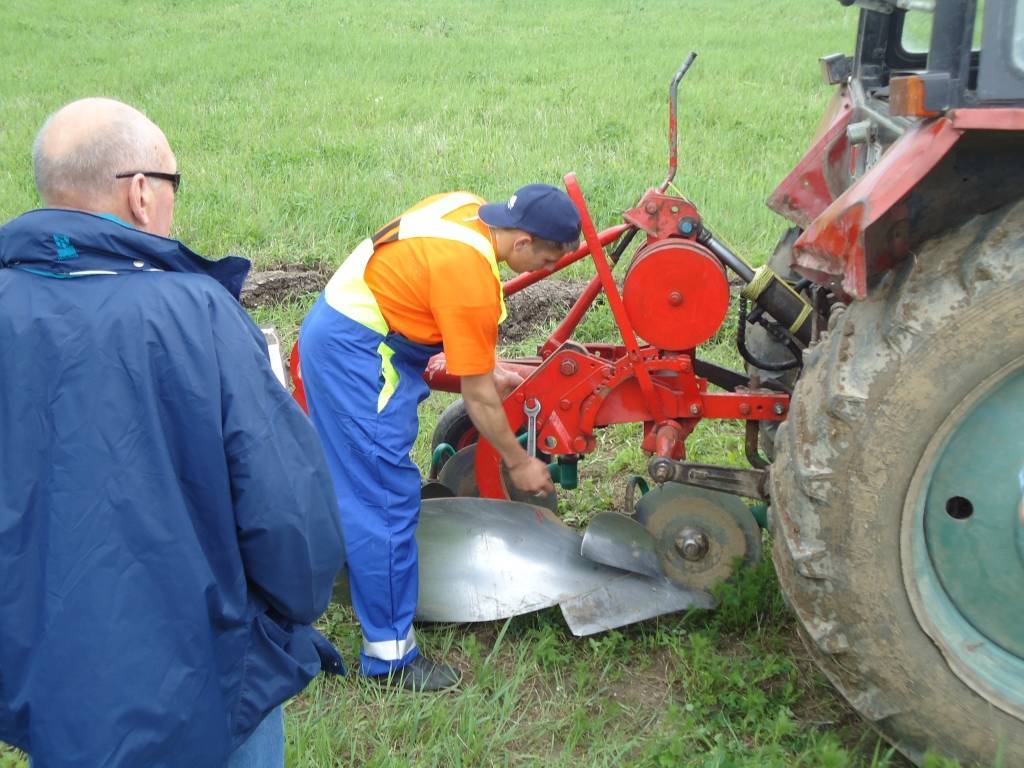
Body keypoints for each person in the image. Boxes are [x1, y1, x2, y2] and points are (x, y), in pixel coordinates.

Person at [0, 98, 345, 768]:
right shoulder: (196, 314)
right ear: (139, 193)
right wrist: (295, 611)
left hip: (46, 667)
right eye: (172, 185)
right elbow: (285, 508)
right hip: (204, 670)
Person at [298, 184, 582, 690]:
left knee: (346, 482)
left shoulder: (466, 208)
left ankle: (309, 594)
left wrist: (483, 364)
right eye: (545, 258)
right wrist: (518, 462)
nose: (544, 270)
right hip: (359, 354)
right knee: (385, 500)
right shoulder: (470, 277)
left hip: (345, 329)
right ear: (521, 241)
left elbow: (425, 290)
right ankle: (390, 658)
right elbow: (477, 400)